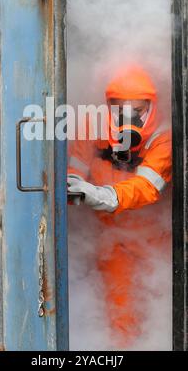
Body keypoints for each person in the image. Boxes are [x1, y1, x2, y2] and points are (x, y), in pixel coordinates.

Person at [67, 65, 172, 347]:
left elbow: (147, 187)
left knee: (161, 309)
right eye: (119, 106)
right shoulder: (92, 127)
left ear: (152, 105)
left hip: (156, 241)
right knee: (120, 312)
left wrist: (105, 196)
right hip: (113, 239)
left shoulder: (163, 137)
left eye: (138, 108)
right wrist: (75, 190)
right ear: (108, 104)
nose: (129, 116)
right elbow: (73, 173)